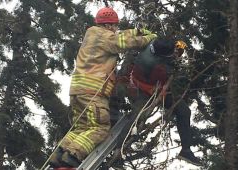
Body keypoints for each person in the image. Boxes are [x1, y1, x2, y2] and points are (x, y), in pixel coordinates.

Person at [48, 7, 157, 168]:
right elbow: (122, 41)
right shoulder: (103, 36)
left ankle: (59, 156)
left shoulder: (93, 35)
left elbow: (121, 36)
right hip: (93, 91)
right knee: (99, 128)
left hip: (79, 91)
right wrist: (150, 38)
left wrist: (137, 31)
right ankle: (72, 156)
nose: (115, 29)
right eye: (114, 26)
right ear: (109, 25)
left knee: (81, 128)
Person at [115, 38, 202, 166]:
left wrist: (180, 47)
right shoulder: (151, 63)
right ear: (162, 55)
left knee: (184, 111)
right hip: (144, 91)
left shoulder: (154, 42)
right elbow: (164, 74)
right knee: (137, 117)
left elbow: (176, 47)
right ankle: (119, 149)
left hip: (157, 87)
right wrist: (174, 64)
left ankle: (186, 150)